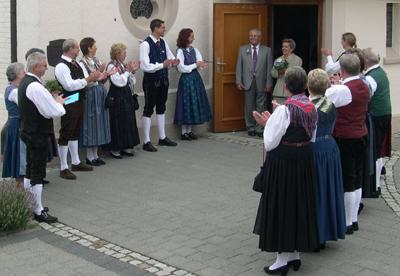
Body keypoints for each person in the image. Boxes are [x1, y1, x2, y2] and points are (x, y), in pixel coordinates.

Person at [253, 66, 319, 275]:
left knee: (282, 205)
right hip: (304, 159)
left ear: (287, 86)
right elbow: (312, 136)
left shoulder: (285, 110)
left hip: (284, 163)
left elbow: (270, 142)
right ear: (305, 86)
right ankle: (295, 254)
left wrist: (268, 123)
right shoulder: (311, 106)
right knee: (298, 204)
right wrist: (276, 117)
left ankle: (282, 259)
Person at [18, 52, 66, 223]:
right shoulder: (35, 86)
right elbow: (52, 111)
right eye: (44, 65)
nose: (46, 68)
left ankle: (29, 205)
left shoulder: (26, 82)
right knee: (37, 171)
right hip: (37, 133)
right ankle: (37, 210)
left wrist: (51, 100)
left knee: (31, 170)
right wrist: (58, 103)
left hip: (29, 131)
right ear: (35, 66)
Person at [326, 53, 369, 234]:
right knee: (356, 178)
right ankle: (353, 219)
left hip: (347, 137)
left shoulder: (344, 89)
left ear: (342, 71)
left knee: (347, 179)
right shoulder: (363, 85)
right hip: (361, 134)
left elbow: (324, 100)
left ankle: (347, 222)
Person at [308, 69, 346, 248]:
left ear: (309, 86)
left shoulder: (310, 107)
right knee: (328, 190)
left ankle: (315, 235)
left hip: (315, 150)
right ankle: (327, 230)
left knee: (315, 192)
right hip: (330, 148)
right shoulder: (330, 103)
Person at [55, 39, 101, 180]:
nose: (78, 50)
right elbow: (68, 85)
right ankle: (63, 166)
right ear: (70, 49)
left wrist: (93, 78)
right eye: (76, 48)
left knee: (75, 131)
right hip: (69, 101)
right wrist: (87, 80)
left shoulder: (73, 63)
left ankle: (75, 162)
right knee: (67, 131)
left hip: (78, 99)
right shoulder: (62, 66)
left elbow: (80, 81)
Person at [140, 18, 179, 152]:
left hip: (163, 79)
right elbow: (145, 66)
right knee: (149, 108)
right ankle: (146, 141)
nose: (164, 29)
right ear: (155, 29)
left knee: (161, 107)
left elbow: (170, 56)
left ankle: (162, 137)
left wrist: (174, 62)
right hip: (151, 80)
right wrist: (163, 64)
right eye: (162, 27)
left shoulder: (163, 42)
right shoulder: (145, 44)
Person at [174, 28, 212, 140]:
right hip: (186, 80)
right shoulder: (180, 51)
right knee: (186, 103)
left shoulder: (195, 50)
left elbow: (198, 63)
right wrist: (195, 65)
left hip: (195, 79)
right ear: (185, 37)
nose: (193, 38)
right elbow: (181, 68)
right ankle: (183, 132)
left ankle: (189, 131)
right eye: (191, 36)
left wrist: (201, 65)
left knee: (192, 103)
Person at [363, 48, 392, 195]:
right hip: (384, 113)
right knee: (378, 149)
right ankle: (376, 184)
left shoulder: (371, 77)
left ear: (366, 61)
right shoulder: (380, 72)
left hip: (376, 115)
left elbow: (366, 96)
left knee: (374, 149)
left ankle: (374, 186)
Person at [79, 37, 111, 165]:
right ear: (88, 48)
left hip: (100, 93)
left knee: (100, 122)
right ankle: (89, 156)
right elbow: (85, 81)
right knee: (90, 122)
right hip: (90, 94)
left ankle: (96, 154)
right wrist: (99, 74)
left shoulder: (96, 60)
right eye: (94, 46)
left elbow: (100, 79)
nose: (96, 48)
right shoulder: (82, 63)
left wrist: (104, 75)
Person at [105, 43, 140, 158]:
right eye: (123, 52)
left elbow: (132, 82)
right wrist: (127, 71)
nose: (125, 54)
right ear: (117, 54)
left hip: (125, 95)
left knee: (127, 121)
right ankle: (115, 149)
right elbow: (119, 82)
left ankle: (126, 146)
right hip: (117, 96)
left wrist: (132, 72)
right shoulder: (111, 66)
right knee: (117, 121)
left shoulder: (123, 65)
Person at [236, 28, 273, 137]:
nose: (252, 37)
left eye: (255, 36)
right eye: (250, 35)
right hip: (247, 82)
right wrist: (238, 81)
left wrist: (269, 83)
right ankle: (250, 126)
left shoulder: (267, 50)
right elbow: (239, 66)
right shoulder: (243, 49)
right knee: (249, 106)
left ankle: (259, 127)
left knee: (261, 105)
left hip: (262, 82)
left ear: (259, 37)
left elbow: (269, 68)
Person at [2, 62, 25, 186]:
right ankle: (21, 186)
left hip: (14, 123)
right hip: (17, 125)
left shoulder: (11, 88)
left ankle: (22, 184)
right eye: (23, 72)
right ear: (17, 75)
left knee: (20, 154)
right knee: (20, 154)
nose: (25, 74)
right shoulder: (14, 91)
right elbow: (25, 106)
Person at [271, 38, 302, 102]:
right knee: (277, 111)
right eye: (283, 46)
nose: (283, 48)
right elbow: (273, 73)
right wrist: (279, 72)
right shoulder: (278, 59)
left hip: (291, 92)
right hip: (278, 92)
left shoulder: (297, 59)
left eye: (286, 47)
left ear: (291, 49)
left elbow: (297, 75)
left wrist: (286, 71)